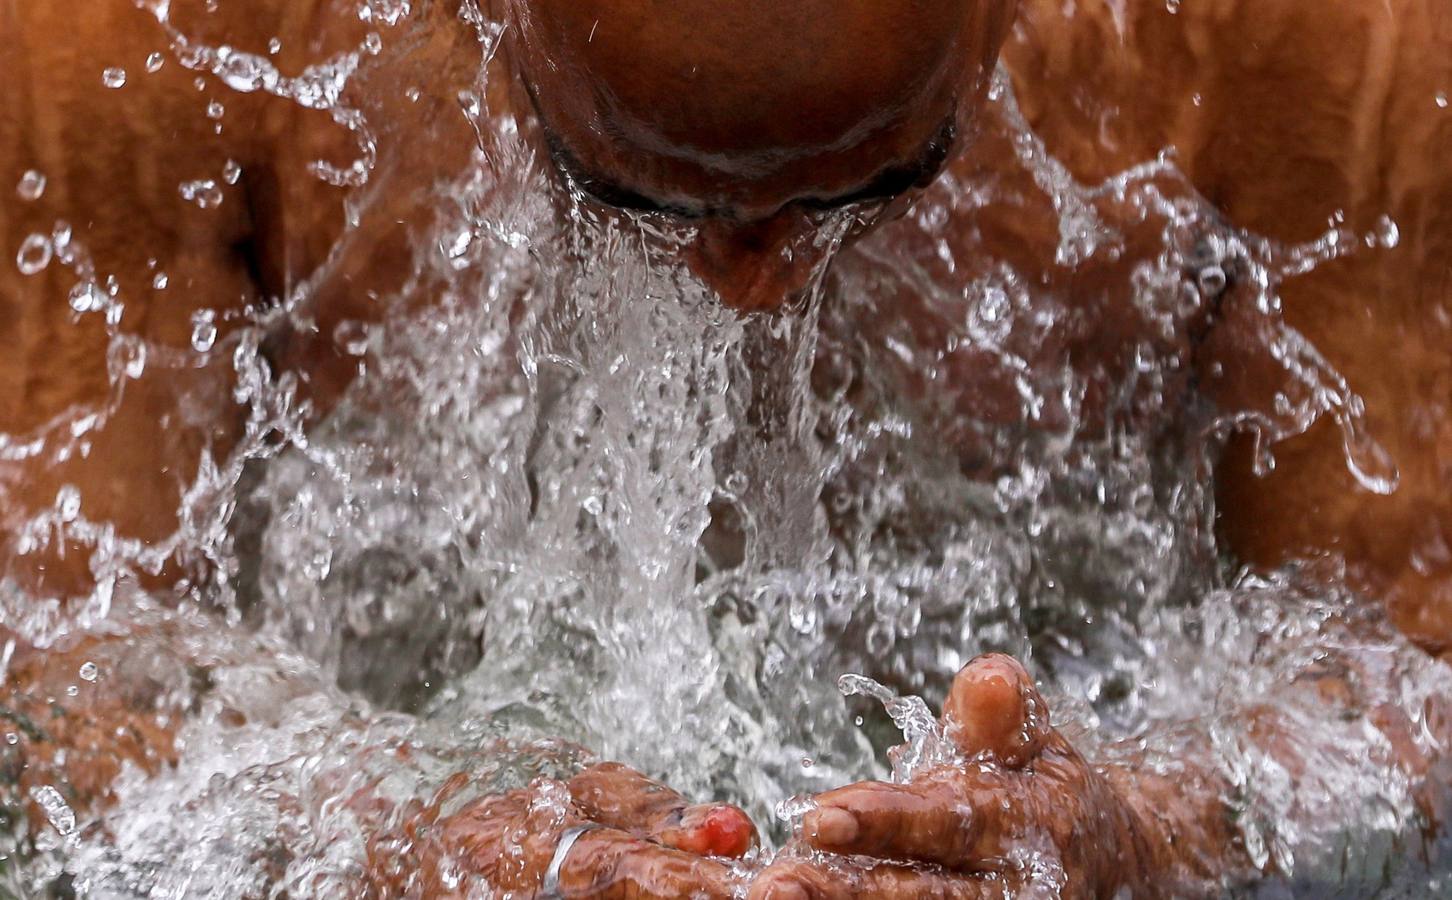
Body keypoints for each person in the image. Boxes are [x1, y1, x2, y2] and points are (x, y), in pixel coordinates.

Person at [2, 0, 1449, 896]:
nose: (750, 283)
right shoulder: (142, 47)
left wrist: (1148, 829)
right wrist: (372, 837)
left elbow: (1416, 668)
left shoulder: (1324, 47)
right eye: (630, 191)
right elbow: (49, 670)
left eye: (880, 176)